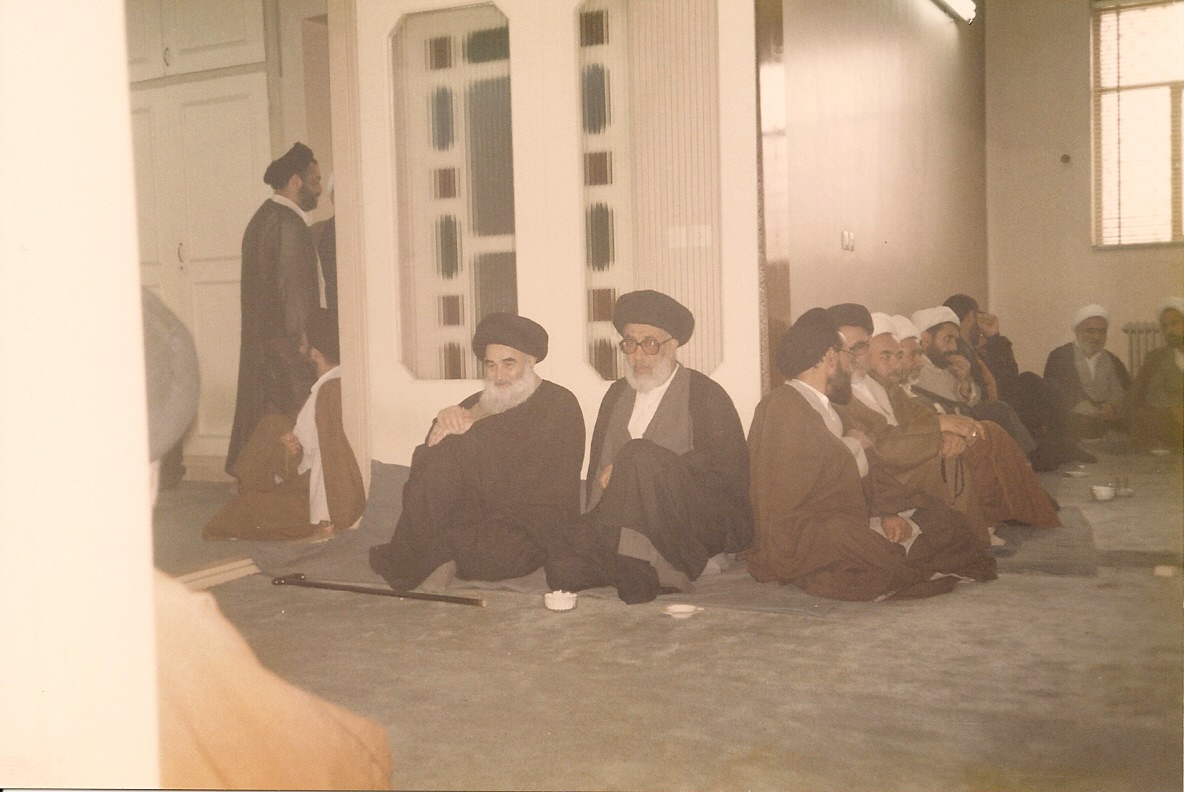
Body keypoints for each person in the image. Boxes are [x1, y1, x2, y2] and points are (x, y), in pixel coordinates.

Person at [142, 289, 393, 789]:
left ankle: (256, 493)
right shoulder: (343, 382)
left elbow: (319, 461)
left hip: (319, 492)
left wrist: (317, 507)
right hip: (320, 481)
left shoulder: (328, 390)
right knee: (274, 431)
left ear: (313, 348)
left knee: (237, 510)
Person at [743, 308, 995, 601]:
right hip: (802, 531)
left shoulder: (828, 406)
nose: (850, 363)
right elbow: (801, 482)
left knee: (945, 522)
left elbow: (866, 470)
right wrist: (852, 445)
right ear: (828, 358)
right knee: (856, 545)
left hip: (846, 516)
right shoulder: (782, 404)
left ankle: (899, 551)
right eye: (845, 354)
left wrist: (889, 513)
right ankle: (899, 557)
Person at [545, 290, 753, 604]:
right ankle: (645, 564)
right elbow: (598, 469)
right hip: (620, 519)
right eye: (630, 343)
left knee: (637, 453)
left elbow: (726, 476)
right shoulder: (616, 394)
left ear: (673, 345)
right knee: (560, 568)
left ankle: (649, 563)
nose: (638, 355)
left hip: (683, 523)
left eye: (650, 344)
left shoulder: (705, 394)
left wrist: (634, 471)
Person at [369, 313, 585, 591]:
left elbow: (527, 479)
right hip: (475, 514)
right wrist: (444, 420)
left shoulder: (559, 404)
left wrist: (472, 435)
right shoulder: (478, 402)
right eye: (491, 365)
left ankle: (431, 557)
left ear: (531, 361)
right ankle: (437, 556)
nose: (498, 375)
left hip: (529, 527)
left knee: (472, 542)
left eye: (508, 364)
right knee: (442, 454)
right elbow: (434, 460)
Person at [844, 311, 1059, 531]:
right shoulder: (843, 395)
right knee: (970, 446)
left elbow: (917, 414)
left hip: (912, 449)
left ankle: (1018, 510)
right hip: (894, 468)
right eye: (885, 356)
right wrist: (938, 433)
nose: (897, 365)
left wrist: (944, 428)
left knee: (987, 432)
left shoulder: (876, 383)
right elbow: (885, 444)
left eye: (897, 356)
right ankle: (993, 521)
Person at [204, 308, 365, 544]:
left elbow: (325, 457)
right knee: (274, 425)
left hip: (311, 488)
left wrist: (324, 521)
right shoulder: (338, 380)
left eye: (303, 344)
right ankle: (248, 485)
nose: (300, 349)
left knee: (234, 516)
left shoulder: (329, 392)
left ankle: (252, 491)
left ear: (315, 353)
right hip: (304, 465)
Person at [226, 142, 324, 474]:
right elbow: (296, 297)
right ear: (296, 181)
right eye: (314, 179)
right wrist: (307, 348)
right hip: (286, 349)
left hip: (264, 347)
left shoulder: (263, 217)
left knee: (264, 427)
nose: (319, 189)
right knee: (289, 430)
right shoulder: (289, 224)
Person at [944, 293, 1077, 468]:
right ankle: (1036, 455)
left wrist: (995, 337)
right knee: (1026, 386)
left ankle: (1064, 445)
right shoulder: (957, 347)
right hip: (980, 403)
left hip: (994, 396)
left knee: (1035, 383)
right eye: (977, 316)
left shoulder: (974, 347)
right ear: (970, 316)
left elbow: (1009, 374)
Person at [911, 305, 1037, 456]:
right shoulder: (916, 367)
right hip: (947, 423)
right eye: (948, 339)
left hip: (964, 419)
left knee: (1003, 407)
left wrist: (965, 382)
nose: (954, 347)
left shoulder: (945, 363)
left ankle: (1028, 460)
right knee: (999, 414)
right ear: (926, 339)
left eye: (955, 340)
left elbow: (975, 400)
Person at [1043, 304, 1131, 441]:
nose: (1096, 337)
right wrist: (1093, 411)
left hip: (1108, 417)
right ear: (1077, 331)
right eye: (1090, 331)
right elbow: (1056, 393)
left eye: (1102, 332)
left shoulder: (1113, 360)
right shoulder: (1060, 356)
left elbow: (1123, 390)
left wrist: (1112, 406)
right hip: (1077, 417)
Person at [1126, 297, 1184, 450]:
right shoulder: (1155, 357)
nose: (1169, 331)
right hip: (1165, 417)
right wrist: (1172, 409)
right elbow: (1135, 394)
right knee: (1141, 416)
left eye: (1174, 324)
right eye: (1164, 326)